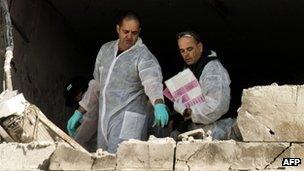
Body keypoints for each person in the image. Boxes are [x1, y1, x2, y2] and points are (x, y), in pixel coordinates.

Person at [79, 11, 169, 153]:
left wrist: (159, 104)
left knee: (123, 162)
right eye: (125, 31)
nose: (129, 36)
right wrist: (80, 111)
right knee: (104, 161)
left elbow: (152, 81)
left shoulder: (143, 55)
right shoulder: (106, 50)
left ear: (139, 32)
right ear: (117, 29)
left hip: (129, 120)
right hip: (105, 118)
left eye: (134, 33)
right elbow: (97, 85)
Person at [171, 30, 235, 140]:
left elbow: (216, 106)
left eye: (189, 49)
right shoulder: (189, 69)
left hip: (218, 132)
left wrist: (187, 111)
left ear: (199, 47)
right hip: (198, 131)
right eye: (182, 51)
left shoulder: (212, 69)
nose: (186, 54)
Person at [64, 76, 99, 152]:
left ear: (79, 94)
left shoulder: (90, 109)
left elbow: (80, 139)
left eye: (75, 98)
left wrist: (73, 139)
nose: (77, 101)